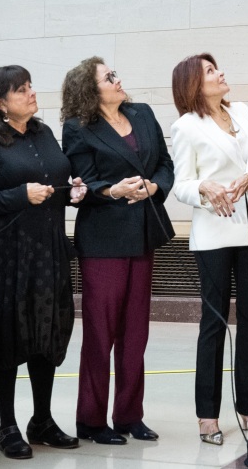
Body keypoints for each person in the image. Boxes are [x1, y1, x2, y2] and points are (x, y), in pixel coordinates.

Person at [0, 66, 84, 459]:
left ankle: (41, 419)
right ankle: (7, 425)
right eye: (20, 90)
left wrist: (71, 190)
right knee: (7, 338)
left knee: (47, 333)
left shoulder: (42, 132)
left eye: (30, 86)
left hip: (48, 249)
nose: (30, 93)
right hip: (2, 255)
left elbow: (54, 178)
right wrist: (21, 195)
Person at [61, 57, 176, 445]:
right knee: (100, 332)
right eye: (109, 77)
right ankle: (91, 421)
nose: (118, 78)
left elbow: (164, 163)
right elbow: (82, 185)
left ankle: (129, 415)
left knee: (135, 332)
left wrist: (155, 187)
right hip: (103, 242)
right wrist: (114, 190)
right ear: (91, 91)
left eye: (115, 73)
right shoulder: (78, 129)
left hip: (143, 235)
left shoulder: (142, 113)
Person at [170, 53, 248, 446]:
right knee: (214, 324)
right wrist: (204, 188)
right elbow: (180, 183)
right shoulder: (185, 127)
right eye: (211, 71)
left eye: (217, 68)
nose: (221, 74)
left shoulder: (243, 112)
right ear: (195, 85)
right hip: (214, 234)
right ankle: (207, 416)